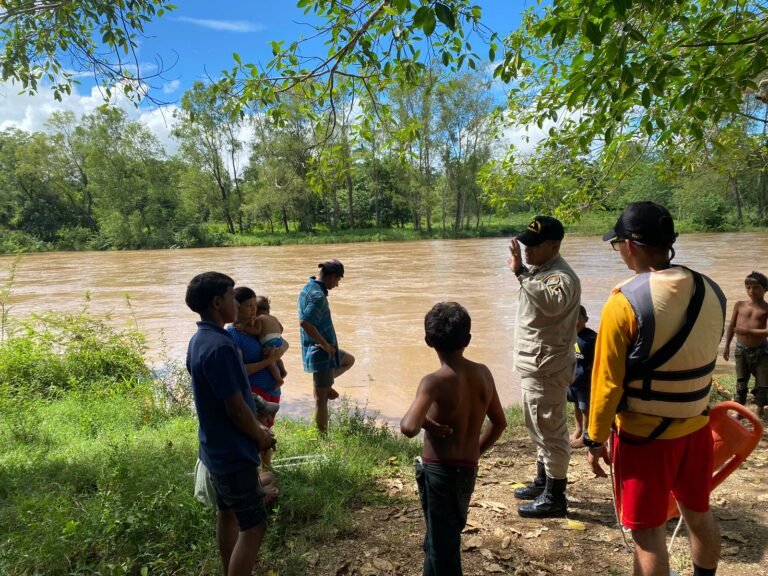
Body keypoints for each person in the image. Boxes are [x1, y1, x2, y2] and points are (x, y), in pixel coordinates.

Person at [586, 201, 726, 576]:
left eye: (617, 246)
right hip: (697, 428)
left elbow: (607, 383)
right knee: (699, 514)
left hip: (645, 439)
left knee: (647, 535)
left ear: (629, 245)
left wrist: (595, 438)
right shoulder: (711, 290)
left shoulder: (624, 302)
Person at [400, 302, 507, 576]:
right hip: (467, 471)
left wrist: (427, 423)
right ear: (468, 340)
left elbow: (408, 427)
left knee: (443, 550)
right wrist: (475, 451)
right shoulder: (484, 373)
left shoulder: (433, 381)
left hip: (438, 474)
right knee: (439, 538)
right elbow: (499, 423)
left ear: (428, 341)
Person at [185, 272, 276, 576]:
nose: (236, 303)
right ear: (217, 302)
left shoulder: (199, 340)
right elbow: (235, 408)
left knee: (227, 513)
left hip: (214, 448)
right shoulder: (221, 347)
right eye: (231, 295)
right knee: (255, 525)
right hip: (233, 451)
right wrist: (261, 436)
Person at [507, 215, 581, 518]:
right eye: (525, 244)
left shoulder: (560, 277)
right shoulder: (541, 270)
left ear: (554, 245)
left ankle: (555, 496)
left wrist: (521, 273)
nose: (527, 250)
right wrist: (525, 272)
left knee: (551, 431)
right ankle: (543, 480)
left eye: (534, 246)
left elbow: (552, 303)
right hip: (536, 366)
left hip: (547, 367)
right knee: (538, 426)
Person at [228, 287, 287, 467]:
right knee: (255, 431)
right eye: (248, 306)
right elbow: (239, 370)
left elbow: (284, 342)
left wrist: (278, 353)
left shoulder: (258, 326)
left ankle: (267, 467)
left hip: (272, 388)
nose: (254, 310)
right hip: (254, 389)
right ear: (235, 307)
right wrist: (269, 360)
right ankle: (254, 470)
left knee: (268, 429)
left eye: (255, 305)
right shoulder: (233, 334)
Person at [298, 259, 355, 434]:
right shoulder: (318, 297)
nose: (337, 285)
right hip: (321, 352)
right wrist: (325, 345)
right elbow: (305, 322)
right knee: (320, 401)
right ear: (330, 276)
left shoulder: (308, 287)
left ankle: (327, 383)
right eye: (337, 279)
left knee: (348, 360)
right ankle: (322, 437)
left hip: (319, 349)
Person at [723, 271, 768, 420]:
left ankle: (760, 409)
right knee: (741, 381)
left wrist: (747, 331)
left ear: (765, 289)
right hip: (741, 350)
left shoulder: (766, 308)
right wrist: (727, 345)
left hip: (762, 351)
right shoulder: (739, 305)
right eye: (748, 287)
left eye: (756, 287)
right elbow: (731, 327)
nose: (751, 291)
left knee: (762, 382)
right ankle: (739, 409)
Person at [234, 294, 289, 387]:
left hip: (270, 343)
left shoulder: (259, 319)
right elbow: (281, 329)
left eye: (254, 307)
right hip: (277, 339)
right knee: (276, 358)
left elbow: (257, 330)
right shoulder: (273, 318)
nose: (253, 311)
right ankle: (282, 371)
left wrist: (244, 328)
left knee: (270, 362)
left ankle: (279, 380)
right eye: (249, 306)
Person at [568, 305, 597, 448]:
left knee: (585, 408)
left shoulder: (591, 338)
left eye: (577, 317)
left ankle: (587, 434)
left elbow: (598, 360)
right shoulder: (568, 336)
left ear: (586, 319)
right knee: (576, 406)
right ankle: (578, 430)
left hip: (586, 381)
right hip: (573, 380)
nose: (574, 320)